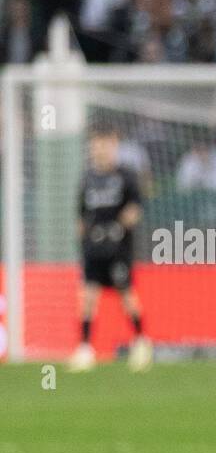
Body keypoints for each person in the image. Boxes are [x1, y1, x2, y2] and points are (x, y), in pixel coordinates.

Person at [70, 124, 150, 372]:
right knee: (87, 296)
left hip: (118, 249)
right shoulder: (87, 178)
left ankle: (141, 342)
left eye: (104, 143)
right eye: (95, 143)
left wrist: (117, 227)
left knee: (127, 295)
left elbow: (136, 207)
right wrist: (85, 236)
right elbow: (81, 214)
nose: (99, 148)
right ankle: (85, 348)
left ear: (114, 144)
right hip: (93, 249)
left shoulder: (125, 175)